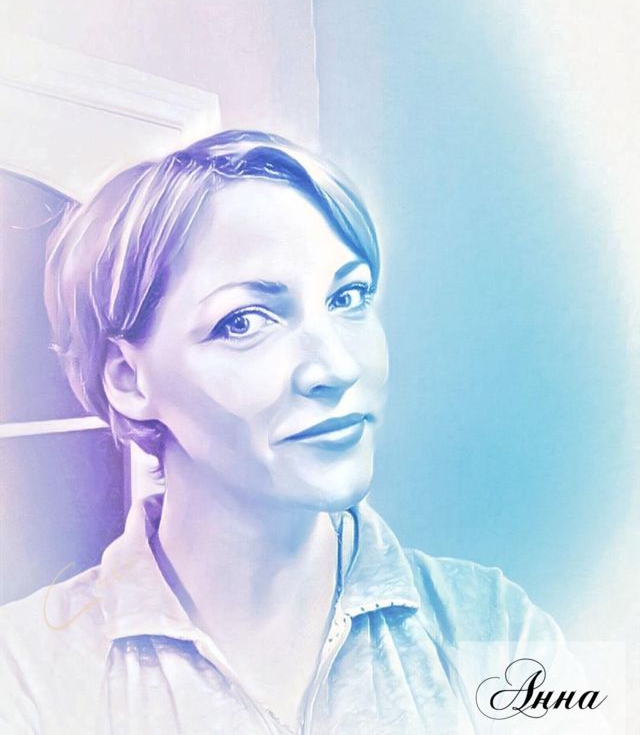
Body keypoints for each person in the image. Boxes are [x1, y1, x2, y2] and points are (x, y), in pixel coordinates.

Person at [0, 131, 602, 734]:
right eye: (244, 321)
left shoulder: (495, 630)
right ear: (129, 379)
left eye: (348, 296)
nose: (337, 367)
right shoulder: (26, 677)